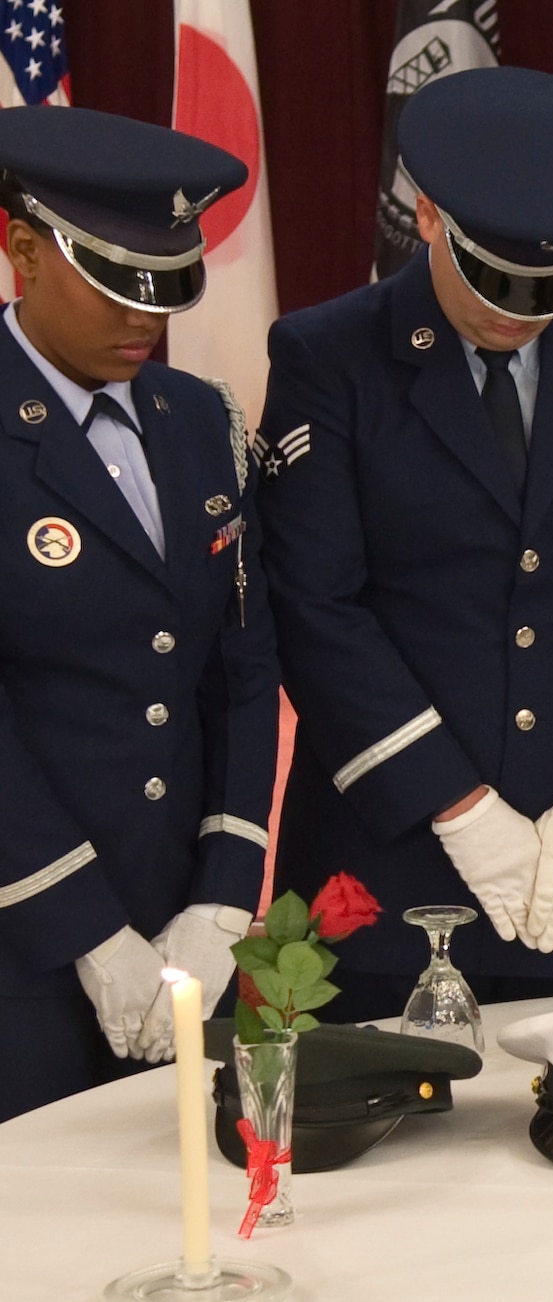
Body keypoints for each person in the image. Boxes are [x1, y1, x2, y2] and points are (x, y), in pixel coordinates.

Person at [255, 67, 553, 1021]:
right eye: (495, 278)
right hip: (387, 855)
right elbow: (316, 606)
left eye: (550, 286)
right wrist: (457, 808)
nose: (519, 310)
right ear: (427, 217)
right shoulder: (328, 358)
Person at [0, 107, 276, 1119]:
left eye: (162, 287)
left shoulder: (197, 419)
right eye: (116, 284)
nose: (144, 319)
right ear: (22, 249)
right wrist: (83, 927)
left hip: (181, 923)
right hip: (23, 932)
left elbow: (240, 670)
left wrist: (222, 890)